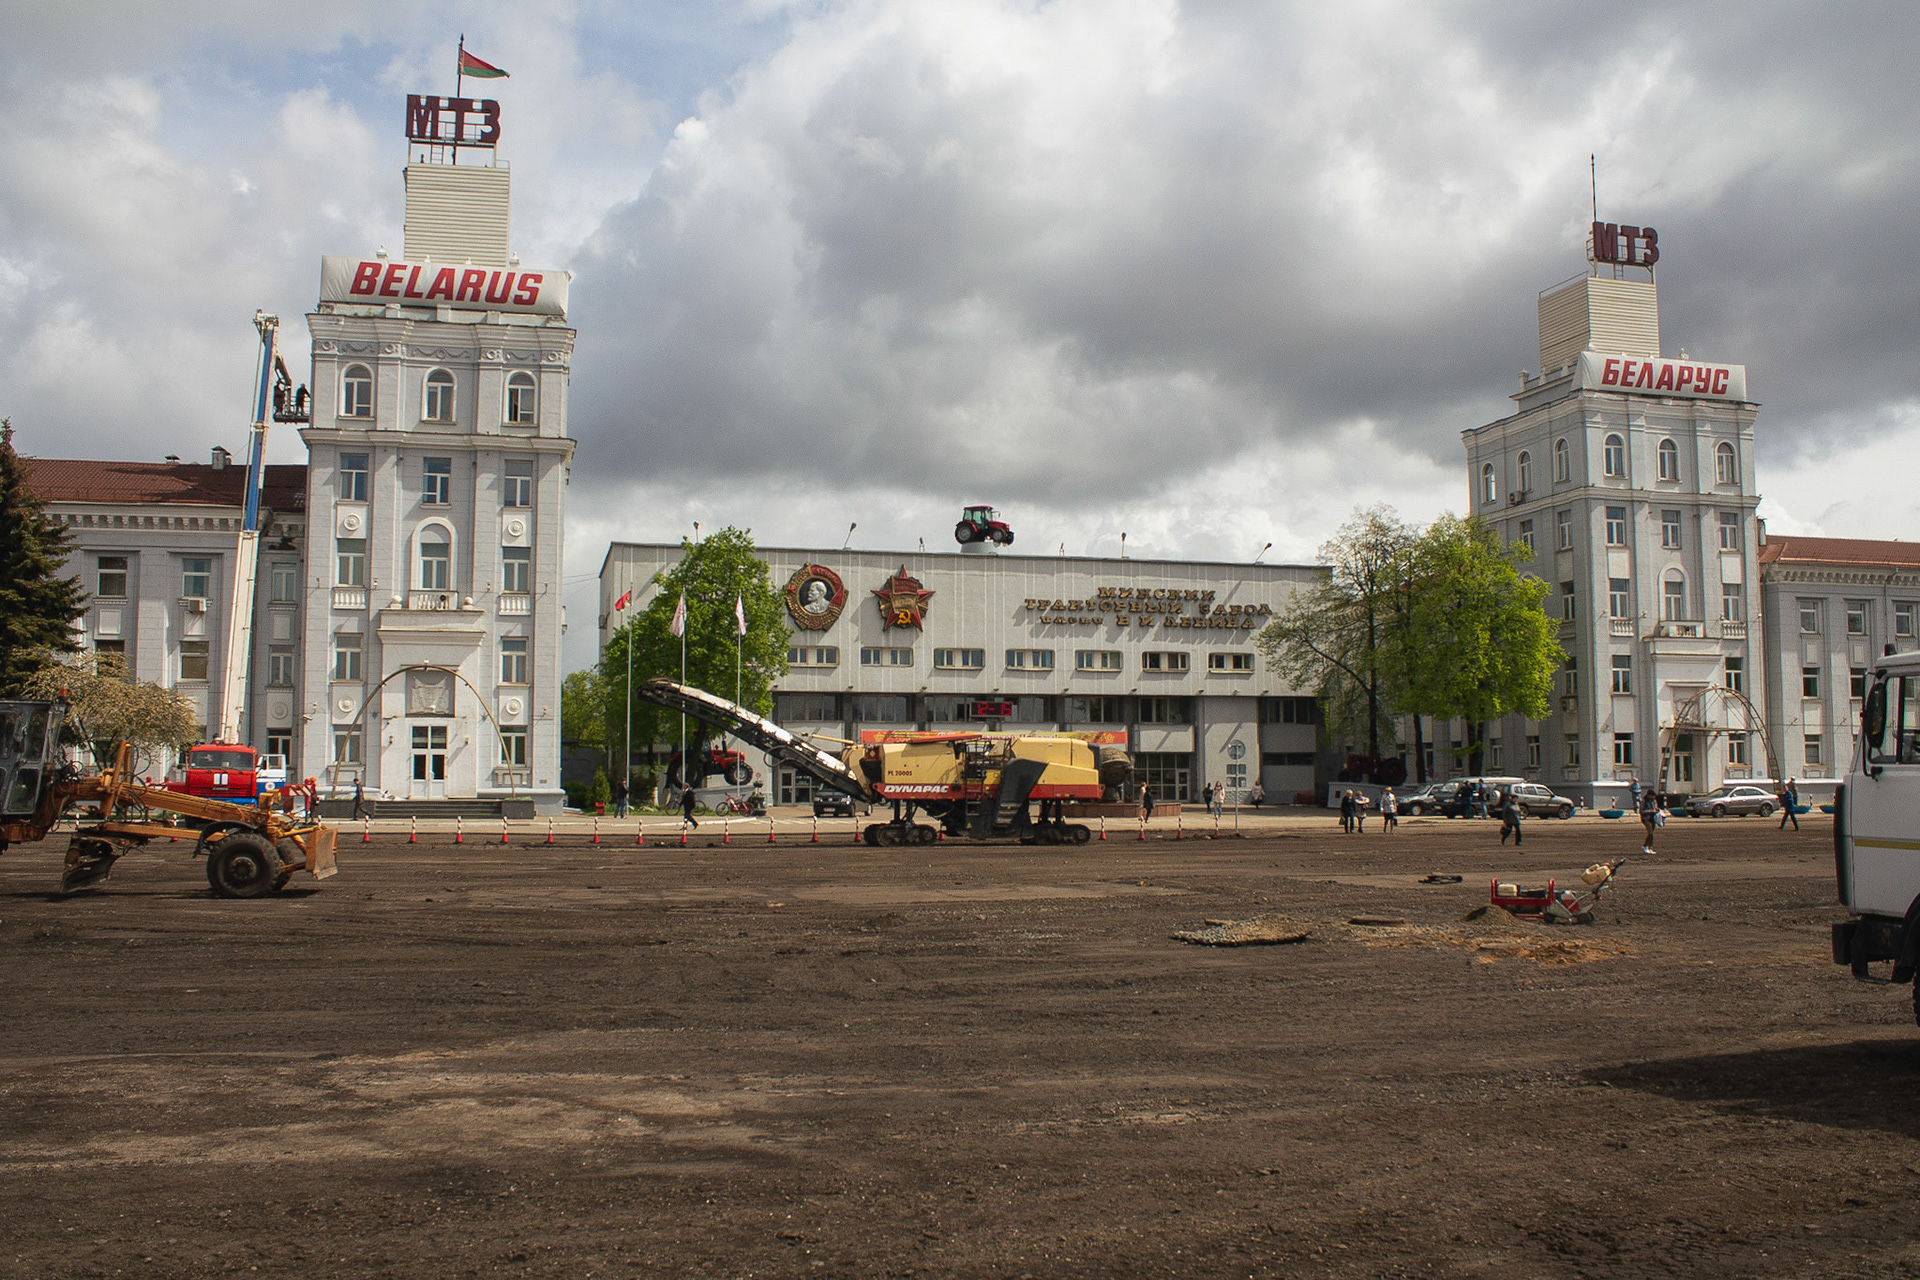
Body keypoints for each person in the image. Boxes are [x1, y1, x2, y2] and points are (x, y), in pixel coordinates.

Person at [1638, 782, 1663, 854]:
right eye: (1652, 796)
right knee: (1651, 833)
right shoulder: (1644, 801)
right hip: (1646, 819)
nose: (1653, 797)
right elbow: (1641, 811)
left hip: (1653, 819)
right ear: (1648, 795)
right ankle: (1646, 846)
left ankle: (1649, 847)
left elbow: (1656, 807)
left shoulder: (1654, 801)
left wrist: (1657, 810)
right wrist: (1651, 811)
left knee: (1652, 834)